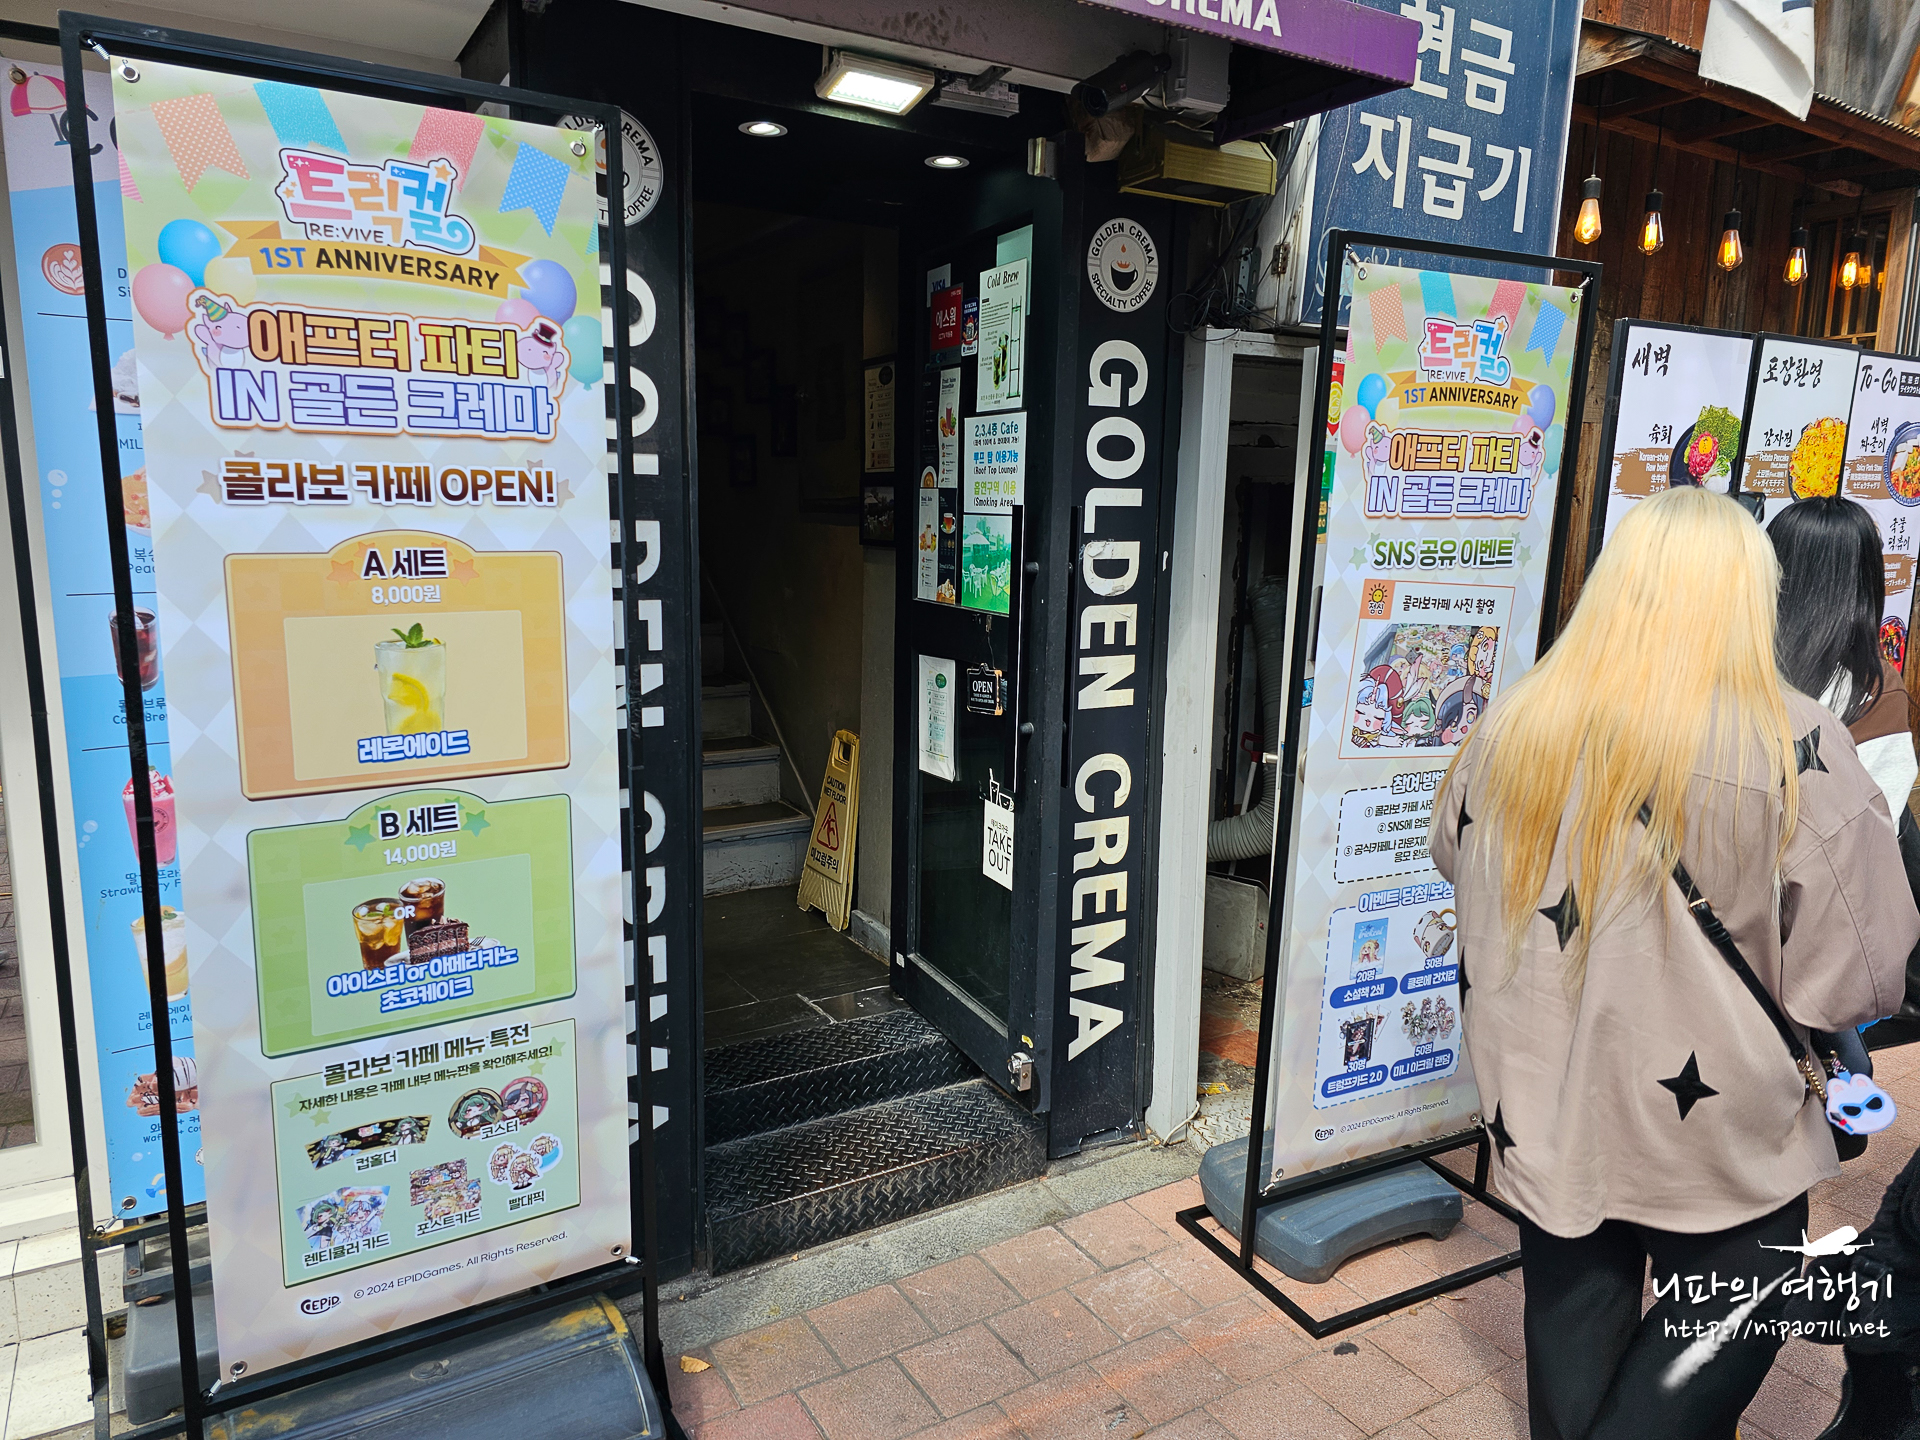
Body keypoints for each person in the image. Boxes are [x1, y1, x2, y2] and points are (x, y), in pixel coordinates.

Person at [1427, 486, 1919, 1439]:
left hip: (1549, 1107)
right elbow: (1859, 972)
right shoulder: (1796, 745)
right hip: (1722, 1135)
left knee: (1569, 1365)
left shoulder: (1513, 722)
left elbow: (1454, 852)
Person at [1768, 496, 1919, 1078]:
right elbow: (1871, 839)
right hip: (1812, 942)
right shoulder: (1873, 691)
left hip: (1718, 915)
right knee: (1847, 1093)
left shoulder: (1730, 666)